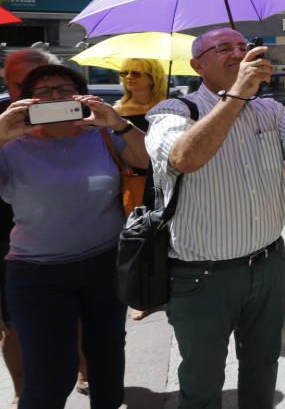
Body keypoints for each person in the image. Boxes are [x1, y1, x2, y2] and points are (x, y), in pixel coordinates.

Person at [145, 28, 285, 408]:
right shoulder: (173, 111)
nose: (239, 53)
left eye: (242, 46)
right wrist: (237, 95)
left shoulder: (271, 109)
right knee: (202, 381)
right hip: (202, 276)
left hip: (269, 265)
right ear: (198, 65)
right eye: (224, 48)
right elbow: (184, 159)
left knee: (262, 368)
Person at [0, 64, 149, 408]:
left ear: (81, 96)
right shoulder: (12, 147)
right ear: (26, 102)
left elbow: (145, 161)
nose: (55, 97)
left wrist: (119, 123)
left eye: (64, 89)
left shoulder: (101, 135)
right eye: (44, 92)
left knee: (107, 360)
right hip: (37, 274)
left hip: (105, 264)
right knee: (51, 375)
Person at [0, 49, 56, 406]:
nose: (33, 94)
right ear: (8, 82)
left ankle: (84, 368)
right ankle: (21, 389)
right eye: (23, 85)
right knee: (13, 324)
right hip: (8, 235)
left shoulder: (71, 110)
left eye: (40, 83)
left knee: (77, 313)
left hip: (66, 231)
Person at [114, 58, 168, 323]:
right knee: (142, 237)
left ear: (152, 77)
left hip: (167, 180)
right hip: (135, 183)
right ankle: (144, 294)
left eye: (136, 72)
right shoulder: (116, 110)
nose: (129, 77)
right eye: (124, 73)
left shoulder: (167, 107)